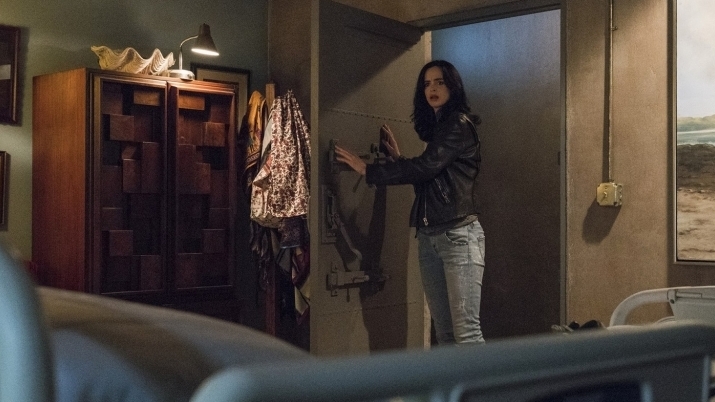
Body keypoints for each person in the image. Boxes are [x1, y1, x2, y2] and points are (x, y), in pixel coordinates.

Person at [334, 60, 485, 345]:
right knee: (445, 333)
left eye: (439, 82)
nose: (432, 89)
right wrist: (399, 160)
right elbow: (431, 177)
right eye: (427, 84)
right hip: (430, 237)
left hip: (458, 236)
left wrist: (369, 170)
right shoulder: (441, 130)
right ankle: (451, 379)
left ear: (453, 86)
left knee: (466, 332)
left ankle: (486, 379)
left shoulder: (457, 125)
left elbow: (426, 168)